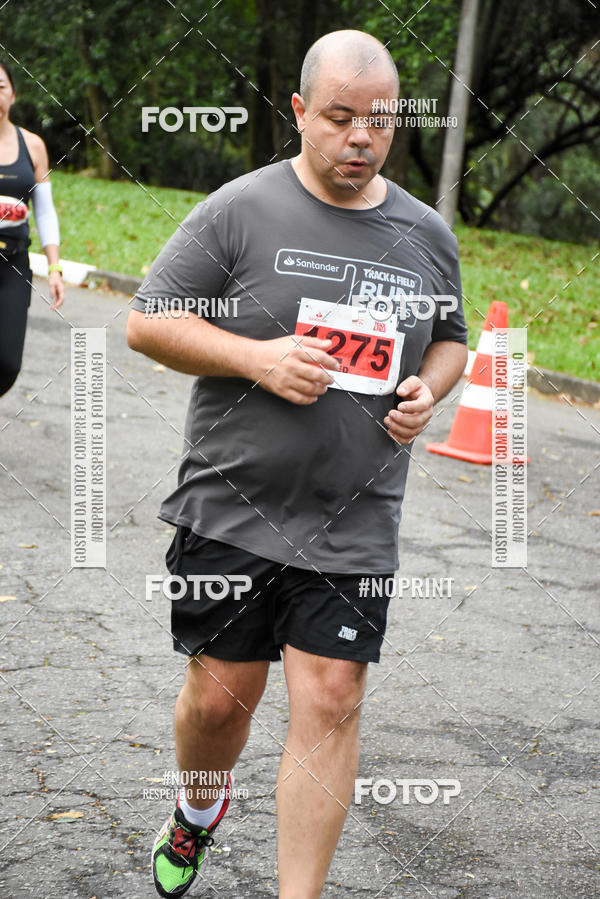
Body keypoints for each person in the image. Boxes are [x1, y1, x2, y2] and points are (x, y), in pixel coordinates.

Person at [127, 29, 468, 899]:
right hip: (232, 508)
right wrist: (258, 357)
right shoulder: (239, 209)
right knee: (216, 705)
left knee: (332, 697)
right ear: (300, 113)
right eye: (341, 118)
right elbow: (149, 321)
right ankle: (199, 807)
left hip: (351, 518)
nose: (361, 137)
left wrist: (428, 391)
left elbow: (452, 342)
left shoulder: (425, 234)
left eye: (380, 122)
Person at [0, 60, 64, 397]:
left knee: (7, 363)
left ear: (13, 94)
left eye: (0, 87)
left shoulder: (33, 145)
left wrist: (54, 267)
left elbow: (45, 211)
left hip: (14, 264)